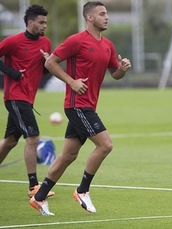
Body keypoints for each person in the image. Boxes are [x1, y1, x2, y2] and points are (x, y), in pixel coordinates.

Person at [29, 1, 131, 216]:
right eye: (102, 14)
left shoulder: (108, 45)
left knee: (68, 155)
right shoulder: (76, 40)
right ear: (90, 18)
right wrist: (71, 82)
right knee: (105, 145)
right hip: (77, 106)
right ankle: (82, 190)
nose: (107, 17)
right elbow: (51, 63)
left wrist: (122, 69)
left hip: (88, 105)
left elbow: (115, 74)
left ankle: (39, 198)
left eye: (107, 14)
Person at [0, 4, 55, 198]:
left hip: (28, 98)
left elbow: (45, 70)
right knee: (32, 138)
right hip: (15, 96)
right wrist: (12, 73)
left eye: (45, 23)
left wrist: (48, 62)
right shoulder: (13, 41)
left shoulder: (46, 43)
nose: (44, 26)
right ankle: (33, 186)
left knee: (10, 142)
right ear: (30, 22)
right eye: (41, 22)